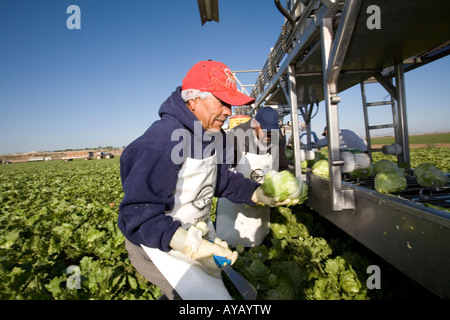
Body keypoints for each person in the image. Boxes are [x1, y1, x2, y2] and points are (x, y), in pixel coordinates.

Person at [118, 60, 290, 300]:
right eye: (222, 102)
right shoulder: (161, 141)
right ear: (194, 100)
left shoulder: (209, 135)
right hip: (158, 244)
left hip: (193, 235)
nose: (229, 111)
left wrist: (256, 193)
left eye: (230, 103)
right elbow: (139, 217)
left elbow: (218, 179)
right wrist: (190, 244)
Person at [215, 107, 288, 247]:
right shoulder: (236, 136)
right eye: (265, 131)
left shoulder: (275, 138)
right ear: (255, 124)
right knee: (230, 242)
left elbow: (282, 167)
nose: (269, 135)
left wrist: (283, 187)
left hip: (261, 200)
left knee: (256, 239)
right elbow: (224, 171)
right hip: (234, 203)